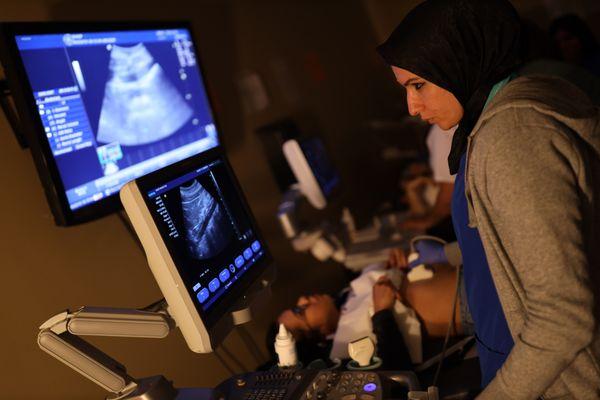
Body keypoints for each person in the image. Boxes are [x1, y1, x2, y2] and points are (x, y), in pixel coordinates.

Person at [376, 0, 600, 398]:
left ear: (456, 59)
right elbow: (517, 231)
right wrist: (444, 255)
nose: (412, 107)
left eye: (418, 85)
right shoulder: (500, 109)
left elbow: (563, 320)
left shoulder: (510, 137)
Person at [273, 262, 465, 371]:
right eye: (300, 311)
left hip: (462, 269)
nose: (302, 300)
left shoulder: (347, 297)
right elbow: (396, 370)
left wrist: (397, 267)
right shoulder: (349, 349)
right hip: (468, 301)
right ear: (321, 335)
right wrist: (382, 311)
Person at [400, 124, 457, 242]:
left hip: (455, 231)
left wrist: (418, 223)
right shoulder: (440, 131)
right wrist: (413, 194)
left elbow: (447, 201)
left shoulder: (442, 130)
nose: (414, 111)